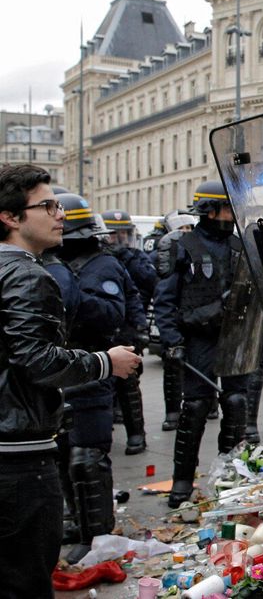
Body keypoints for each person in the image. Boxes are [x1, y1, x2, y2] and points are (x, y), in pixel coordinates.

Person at [0, 164, 140, 598]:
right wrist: (105, 361)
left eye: (58, 204)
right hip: (20, 459)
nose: (59, 214)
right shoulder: (26, 274)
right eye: (47, 205)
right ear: (10, 217)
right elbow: (38, 361)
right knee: (25, 581)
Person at [155, 181, 254, 508]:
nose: (230, 214)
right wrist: (171, 341)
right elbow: (165, 300)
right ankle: (182, 480)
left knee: (237, 402)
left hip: (235, 337)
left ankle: (230, 474)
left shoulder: (240, 246)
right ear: (209, 211)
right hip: (198, 337)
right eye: (226, 208)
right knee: (196, 408)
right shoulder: (182, 245)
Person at [56, 198, 137, 563]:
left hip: (91, 369)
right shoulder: (50, 264)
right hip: (58, 369)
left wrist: (67, 293)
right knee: (61, 455)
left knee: (87, 456)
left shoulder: (101, 265)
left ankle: (98, 536)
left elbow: (108, 315)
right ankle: (77, 522)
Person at [101, 210, 153, 455]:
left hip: (126, 329)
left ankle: (137, 435)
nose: (120, 238)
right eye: (115, 234)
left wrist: (141, 325)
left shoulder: (135, 257)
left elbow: (141, 287)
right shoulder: (98, 261)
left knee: (129, 384)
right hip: (104, 331)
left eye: (124, 233)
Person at [153, 209, 198, 431]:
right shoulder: (170, 256)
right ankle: (172, 412)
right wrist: (171, 337)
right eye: (182, 228)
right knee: (173, 369)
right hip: (177, 322)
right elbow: (164, 299)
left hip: (197, 322)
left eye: (189, 228)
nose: (186, 232)